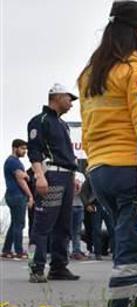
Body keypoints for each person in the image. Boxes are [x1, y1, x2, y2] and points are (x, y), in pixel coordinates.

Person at [78, 0, 137, 307]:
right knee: (134, 248)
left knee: (135, 244)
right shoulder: (136, 70)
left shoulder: (89, 74)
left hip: (99, 171)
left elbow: (86, 127)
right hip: (130, 169)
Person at [26, 84, 80, 283]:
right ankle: (36, 267)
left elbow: (68, 156)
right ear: (56, 97)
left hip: (66, 177)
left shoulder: (63, 125)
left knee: (63, 225)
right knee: (42, 225)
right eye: (69, 98)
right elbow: (34, 150)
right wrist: (40, 176)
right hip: (51, 176)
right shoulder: (39, 121)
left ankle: (58, 267)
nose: (71, 104)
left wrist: (73, 177)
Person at [2, 139, 34, 259]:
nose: (25, 151)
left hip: (12, 195)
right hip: (17, 196)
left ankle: (6, 250)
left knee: (14, 224)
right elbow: (21, 179)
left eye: (25, 149)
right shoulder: (13, 162)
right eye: (22, 148)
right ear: (15, 148)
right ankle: (19, 251)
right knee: (19, 224)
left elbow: (24, 176)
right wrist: (30, 196)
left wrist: (25, 175)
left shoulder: (13, 162)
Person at [69, 171, 87, 260]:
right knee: (66, 230)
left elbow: (85, 190)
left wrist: (79, 187)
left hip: (79, 205)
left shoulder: (80, 175)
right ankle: (64, 251)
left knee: (77, 231)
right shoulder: (66, 174)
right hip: (68, 206)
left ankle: (76, 251)